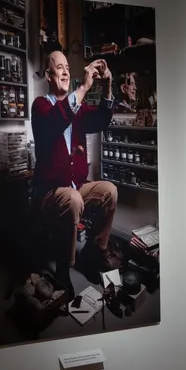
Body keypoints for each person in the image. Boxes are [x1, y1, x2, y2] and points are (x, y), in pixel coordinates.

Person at [31, 48, 120, 290]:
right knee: (72, 199)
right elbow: (56, 120)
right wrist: (82, 88)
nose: (66, 72)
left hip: (76, 187)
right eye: (60, 68)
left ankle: (92, 253)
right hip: (50, 192)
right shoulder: (40, 106)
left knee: (110, 191)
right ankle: (63, 269)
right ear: (49, 76)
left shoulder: (78, 109)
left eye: (68, 69)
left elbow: (102, 119)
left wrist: (107, 85)